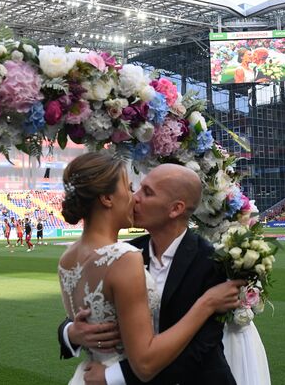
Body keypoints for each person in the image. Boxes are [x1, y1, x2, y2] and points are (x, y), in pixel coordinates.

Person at [57, 153, 244, 385]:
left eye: (146, 192)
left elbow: (200, 349)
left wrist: (113, 376)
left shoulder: (211, 261)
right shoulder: (124, 254)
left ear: (175, 209)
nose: (135, 198)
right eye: (133, 188)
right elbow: (87, 308)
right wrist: (71, 332)